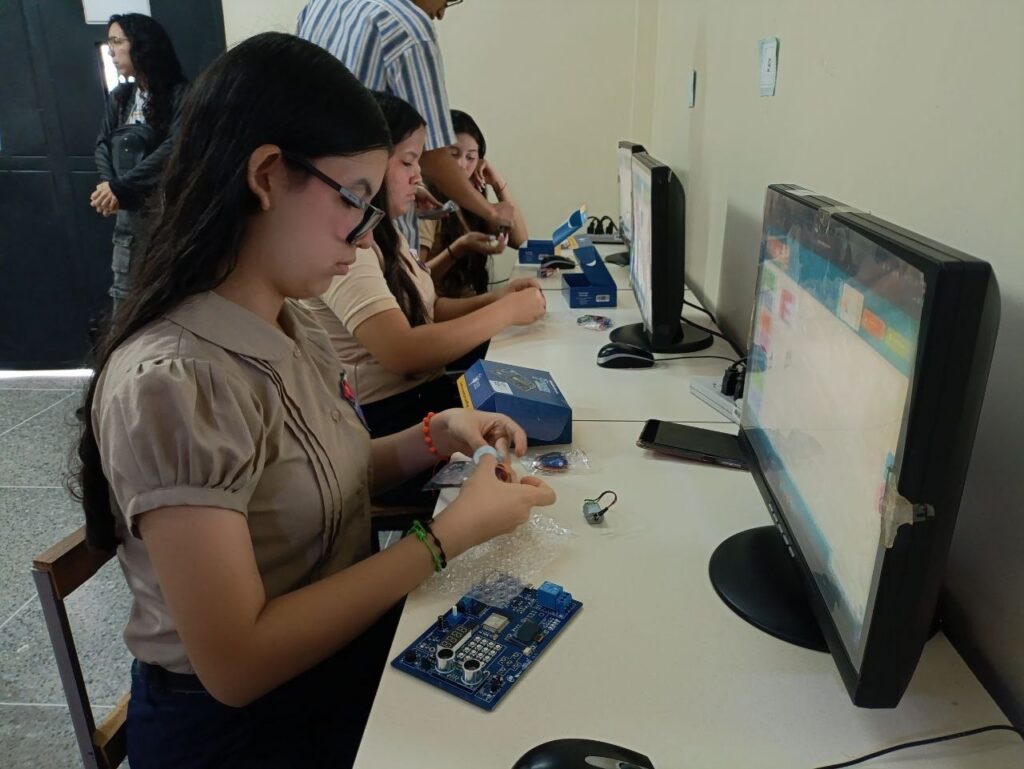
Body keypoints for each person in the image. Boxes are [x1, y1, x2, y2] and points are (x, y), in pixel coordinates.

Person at [72, 33, 555, 768]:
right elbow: (237, 663)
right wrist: (444, 537)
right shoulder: (173, 380)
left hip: (330, 668)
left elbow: (321, 477)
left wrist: (437, 433)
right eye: (355, 201)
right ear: (267, 175)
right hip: (243, 732)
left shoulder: (289, 321)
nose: (363, 240)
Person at [303, 91, 546, 443]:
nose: (418, 176)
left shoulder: (387, 233)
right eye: (408, 162)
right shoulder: (350, 247)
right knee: (531, 430)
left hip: (423, 394)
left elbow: (428, 308)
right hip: (388, 415)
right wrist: (506, 312)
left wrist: (499, 298)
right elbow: (403, 352)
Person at [296, 0, 516, 249]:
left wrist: (399, 188)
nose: (441, 14)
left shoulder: (319, 6)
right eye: (447, 2)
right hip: (371, 226)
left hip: (311, 210)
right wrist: (490, 211)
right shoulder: (407, 25)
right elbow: (433, 153)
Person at [92, 13, 187, 318]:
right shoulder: (121, 97)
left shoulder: (181, 95)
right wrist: (109, 186)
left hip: (165, 215)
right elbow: (102, 143)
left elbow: (174, 147)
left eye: (117, 42)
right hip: (127, 219)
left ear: (142, 45)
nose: (111, 51)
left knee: (170, 297)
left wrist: (120, 186)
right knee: (124, 300)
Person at [421, 108, 529, 299]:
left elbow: (521, 242)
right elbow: (415, 279)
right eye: (452, 155)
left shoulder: (471, 203)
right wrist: (459, 248)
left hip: (472, 302)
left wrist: (497, 182)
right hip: (443, 310)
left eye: (470, 157)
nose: (462, 165)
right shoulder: (427, 204)